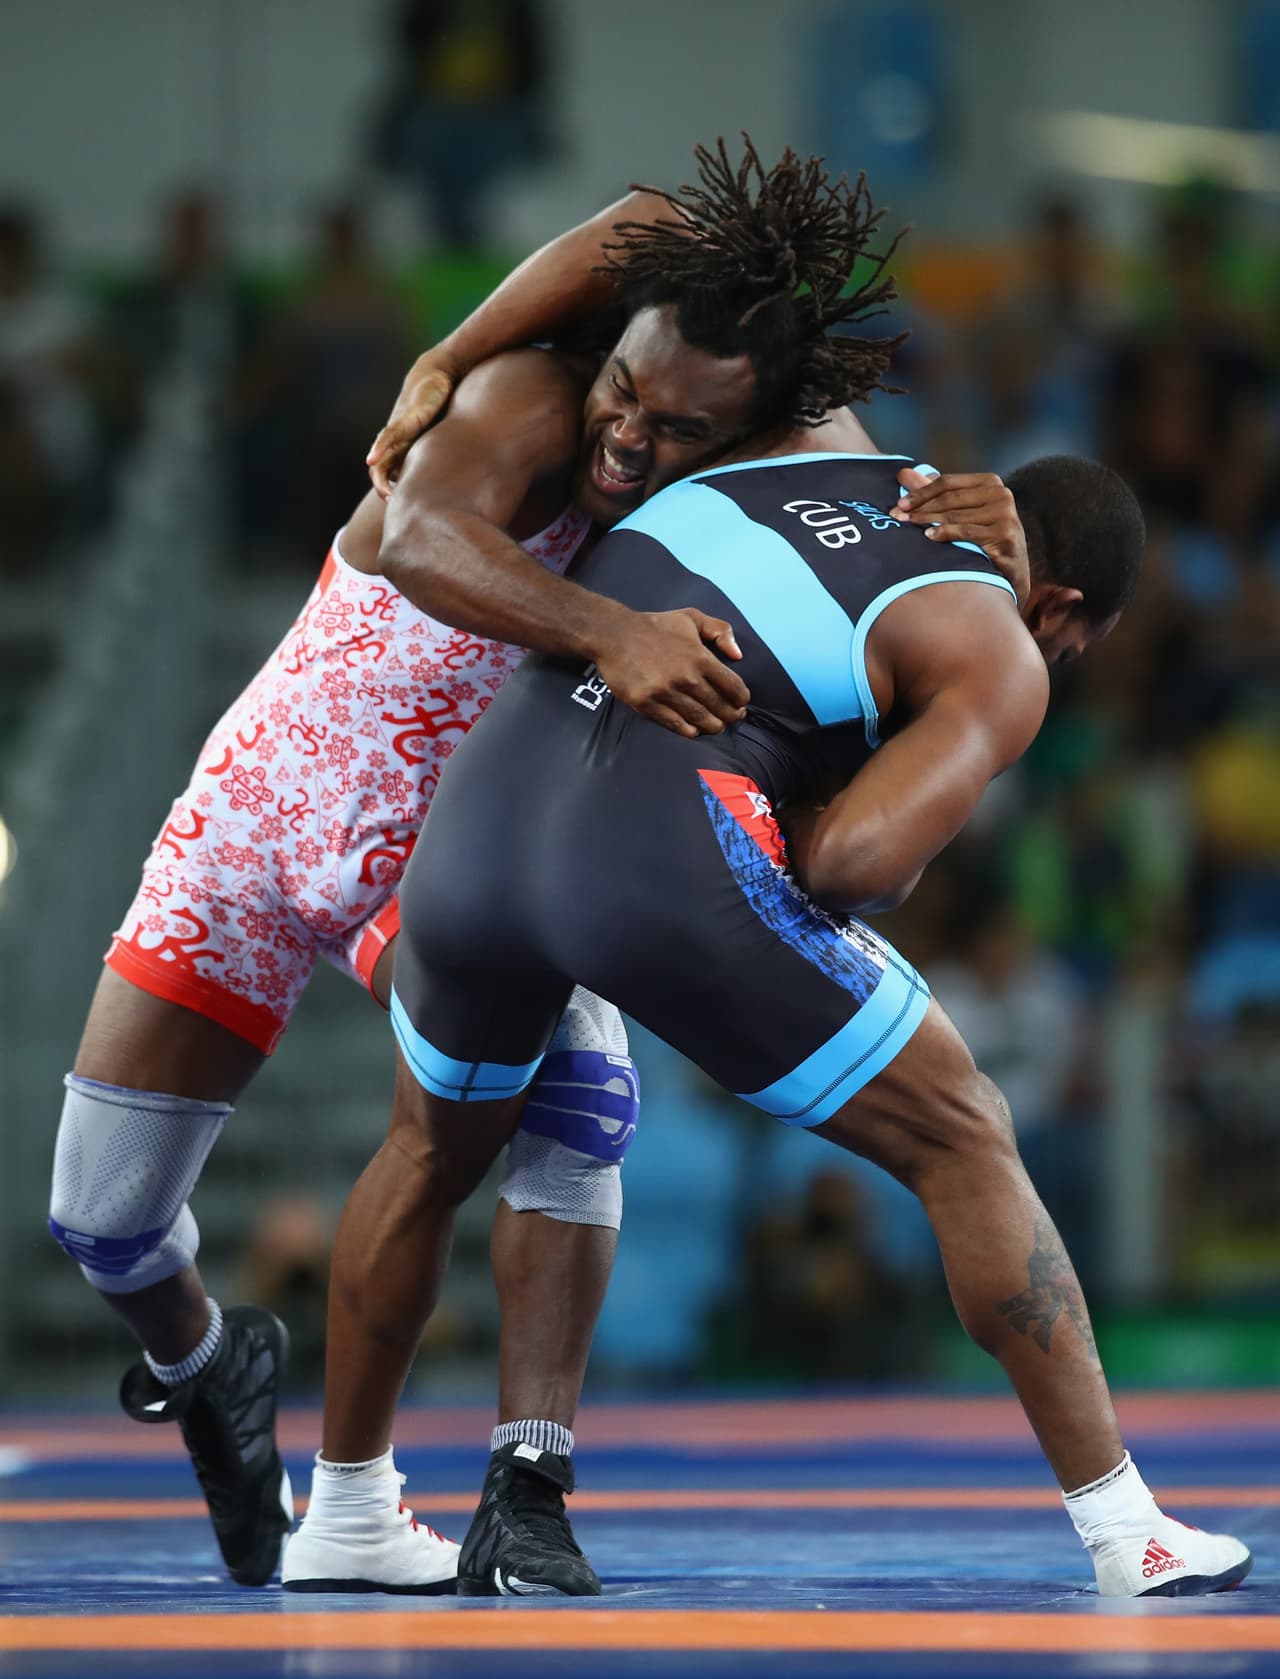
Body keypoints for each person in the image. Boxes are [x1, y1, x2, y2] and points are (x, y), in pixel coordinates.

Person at [48, 150, 1025, 1595]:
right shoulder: (522, 398)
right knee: (107, 1219)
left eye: (682, 426)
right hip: (259, 821)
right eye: (627, 392)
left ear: (747, 428)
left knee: (579, 1102)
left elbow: (868, 484)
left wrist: (981, 515)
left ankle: (514, 1488)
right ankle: (211, 1367)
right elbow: (436, 536)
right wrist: (472, 396)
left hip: (442, 864)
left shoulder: (737, 461)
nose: (632, 438)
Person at [299, 142, 1252, 1601]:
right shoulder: (1004, 643)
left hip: (480, 822)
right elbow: (860, 856)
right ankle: (1132, 1527)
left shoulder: (817, 442)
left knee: (427, 1153)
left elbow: (643, 224)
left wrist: (453, 348)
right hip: (658, 847)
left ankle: (345, 1510)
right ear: (1065, 605)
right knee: (961, 1131)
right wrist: (846, 825)